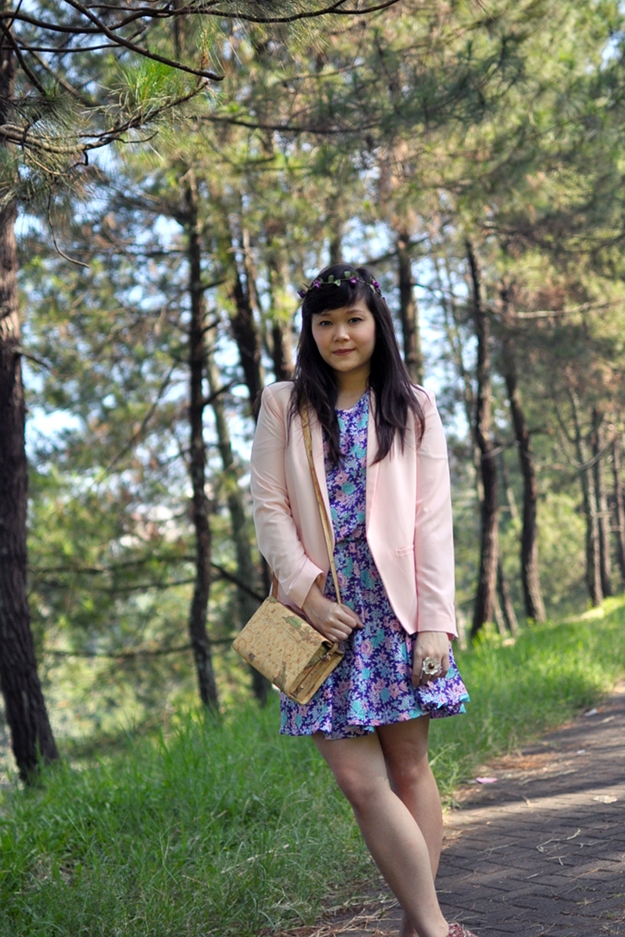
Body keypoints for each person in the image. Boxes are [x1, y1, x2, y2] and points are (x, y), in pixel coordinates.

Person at [250, 263, 476, 937]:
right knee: (358, 781)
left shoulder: (413, 405)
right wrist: (307, 591)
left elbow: (432, 520)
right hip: (317, 616)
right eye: (325, 322)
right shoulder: (283, 403)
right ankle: (435, 927)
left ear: (376, 323)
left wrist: (434, 624)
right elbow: (268, 506)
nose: (340, 334)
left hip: (396, 610)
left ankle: (419, 925)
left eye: (353, 319)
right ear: (310, 330)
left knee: (409, 768)